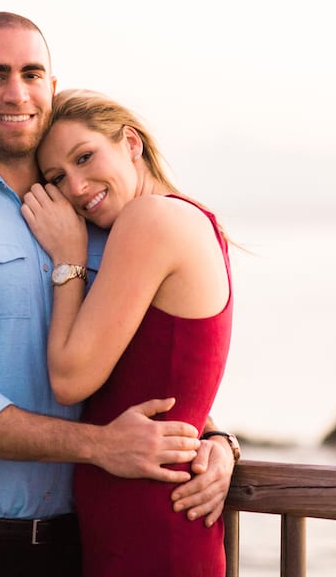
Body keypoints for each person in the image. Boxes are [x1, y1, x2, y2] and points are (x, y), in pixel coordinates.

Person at [0, 12, 238, 577]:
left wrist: (214, 438)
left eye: (31, 73)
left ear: (51, 86)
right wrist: (98, 446)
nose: (16, 92)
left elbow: (152, 353)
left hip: (81, 544)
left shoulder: (102, 218)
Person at [21, 89, 235, 576]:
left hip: (153, 528)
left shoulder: (150, 218)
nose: (76, 187)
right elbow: (170, 370)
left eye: (85, 157)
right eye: (58, 179)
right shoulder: (185, 217)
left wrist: (69, 260)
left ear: (131, 143)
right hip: (137, 523)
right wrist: (222, 438)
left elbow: (71, 379)